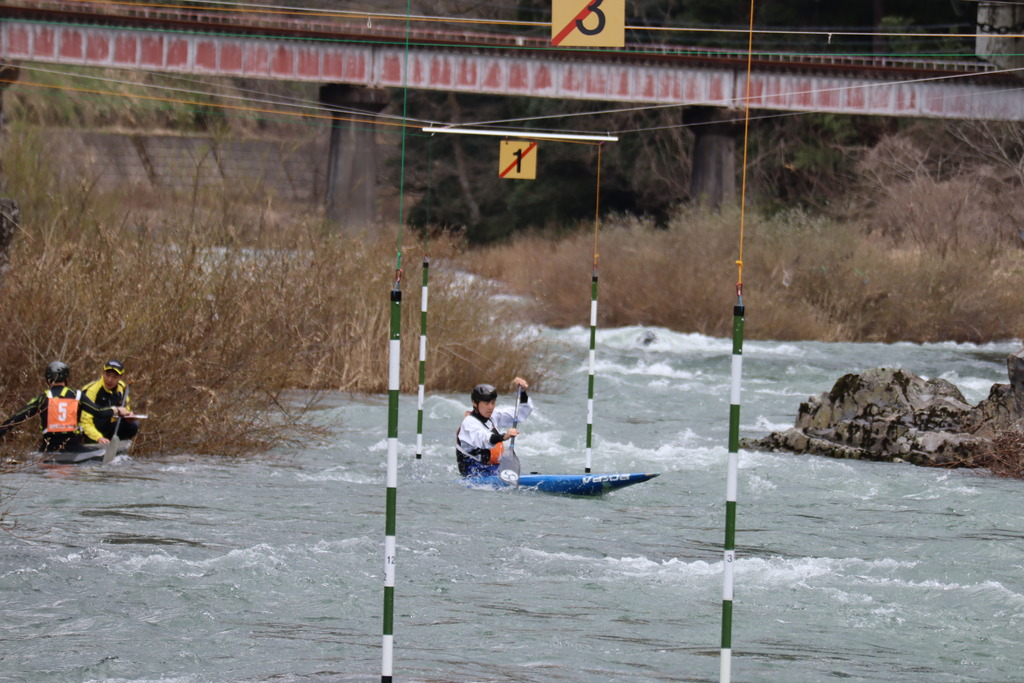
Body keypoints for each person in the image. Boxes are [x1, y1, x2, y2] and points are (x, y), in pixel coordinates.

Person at [0, 361, 128, 453]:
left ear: (48, 379)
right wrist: (117, 410)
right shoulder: (77, 395)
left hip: (48, 448)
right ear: (66, 378)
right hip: (73, 447)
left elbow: (17, 418)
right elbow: (99, 412)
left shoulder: (42, 398)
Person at [456, 377, 532, 477]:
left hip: (493, 468)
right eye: (486, 403)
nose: (490, 407)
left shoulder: (493, 416)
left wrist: (522, 393)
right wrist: (504, 436)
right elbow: (484, 439)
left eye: (493, 402)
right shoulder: (469, 423)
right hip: (473, 470)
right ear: (475, 403)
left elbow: (521, 412)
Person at [80, 359, 139, 445]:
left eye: (114, 377)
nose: (109, 380)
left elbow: (125, 409)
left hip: (109, 427)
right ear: (103, 373)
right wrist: (98, 437)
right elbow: (85, 421)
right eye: (107, 375)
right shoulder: (92, 390)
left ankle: (115, 446)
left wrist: (128, 416)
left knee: (132, 426)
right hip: (91, 431)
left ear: (120, 377)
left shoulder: (122, 388)